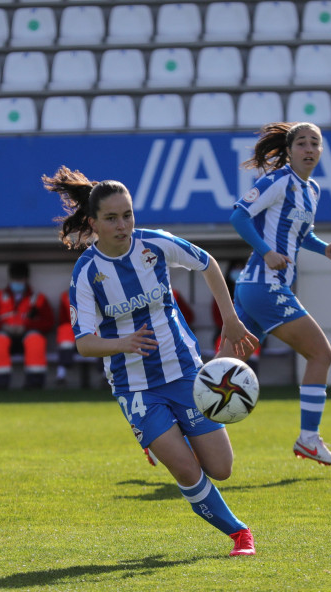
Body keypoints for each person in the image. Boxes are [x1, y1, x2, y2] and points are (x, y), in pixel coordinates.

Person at [43, 165, 259, 557]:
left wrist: (230, 317)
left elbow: (207, 262)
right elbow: (84, 344)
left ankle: (167, 434)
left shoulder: (154, 245)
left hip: (184, 371)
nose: (122, 225)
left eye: (127, 215)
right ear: (93, 222)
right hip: (136, 387)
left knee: (222, 468)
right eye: (111, 218)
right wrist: (123, 342)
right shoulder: (87, 273)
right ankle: (239, 534)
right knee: (186, 470)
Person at [215, 122, 331, 466]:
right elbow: (239, 216)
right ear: (289, 151)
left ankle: (174, 428)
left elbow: (301, 235)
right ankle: (308, 439)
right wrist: (266, 251)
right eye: (301, 142)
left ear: (320, 151)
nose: (308, 148)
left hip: (255, 289)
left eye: (314, 143)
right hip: (264, 286)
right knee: (321, 355)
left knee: (220, 374)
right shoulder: (278, 181)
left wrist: (324, 249)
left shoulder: (312, 189)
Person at [0, 262, 54, 390]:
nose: (17, 282)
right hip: (5, 334)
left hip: (27, 335)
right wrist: (3, 327)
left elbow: (49, 322)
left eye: (20, 279)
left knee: (35, 340)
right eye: (15, 278)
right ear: (10, 278)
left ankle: (35, 382)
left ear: (26, 279)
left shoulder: (38, 298)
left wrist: (26, 326)